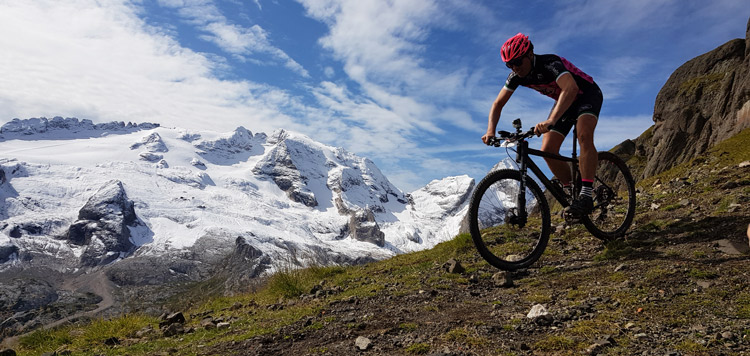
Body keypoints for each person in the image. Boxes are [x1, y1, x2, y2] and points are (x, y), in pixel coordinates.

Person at [482, 33, 603, 217]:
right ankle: (573, 191)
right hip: (566, 101)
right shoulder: (516, 76)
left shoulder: (549, 63)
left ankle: (586, 195)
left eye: (517, 62)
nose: (515, 67)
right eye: (509, 64)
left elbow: (571, 88)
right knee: (548, 149)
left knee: (583, 135)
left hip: (586, 94)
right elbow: (498, 104)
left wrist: (551, 121)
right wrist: (490, 130)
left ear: (530, 54)